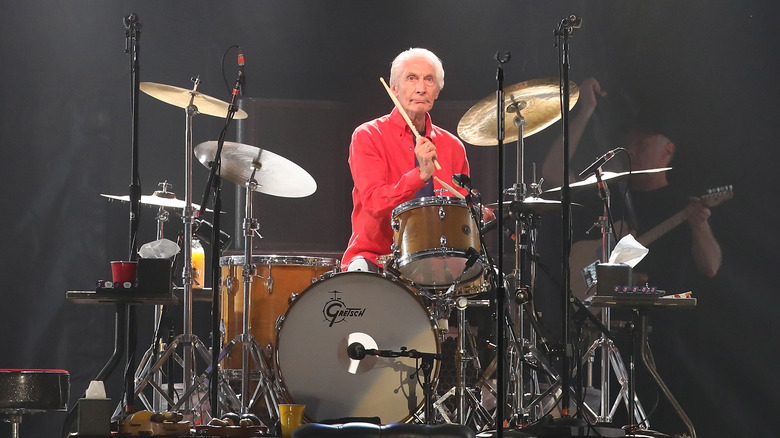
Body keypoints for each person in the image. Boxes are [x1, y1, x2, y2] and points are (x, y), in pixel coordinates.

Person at [541, 77, 722, 295]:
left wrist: (699, 224)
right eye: (628, 143)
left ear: (667, 150)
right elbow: (552, 172)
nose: (631, 150)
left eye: (641, 144)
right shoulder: (609, 193)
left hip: (660, 323)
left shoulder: (682, 205)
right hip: (607, 323)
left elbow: (710, 268)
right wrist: (586, 110)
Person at [342, 48, 471, 272]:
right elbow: (374, 203)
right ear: (394, 88)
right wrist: (419, 176)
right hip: (377, 258)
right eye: (411, 78)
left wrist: (482, 214)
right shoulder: (368, 136)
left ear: (437, 91)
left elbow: (462, 211)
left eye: (429, 80)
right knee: (359, 275)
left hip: (437, 261)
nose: (421, 88)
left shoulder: (453, 146)